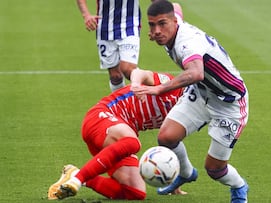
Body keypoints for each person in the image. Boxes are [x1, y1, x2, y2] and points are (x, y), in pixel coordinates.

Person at [131, 1, 250, 202]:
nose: (157, 31)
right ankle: (186, 173)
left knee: (215, 169)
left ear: (174, 22)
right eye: (152, 25)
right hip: (202, 93)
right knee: (167, 138)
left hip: (229, 103)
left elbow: (196, 73)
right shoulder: (174, 20)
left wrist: (159, 88)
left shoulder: (187, 42)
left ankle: (239, 187)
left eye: (162, 24)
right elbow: (175, 5)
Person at [47, 69, 186, 200]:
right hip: (101, 116)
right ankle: (78, 179)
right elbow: (139, 72)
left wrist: (174, 179)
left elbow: (170, 140)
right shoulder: (171, 84)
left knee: (136, 192)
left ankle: (74, 175)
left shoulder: (189, 112)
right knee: (133, 143)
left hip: (116, 140)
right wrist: (136, 85)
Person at [76, 0, 183, 92]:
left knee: (127, 69)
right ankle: (121, 107)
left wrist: (156, 28)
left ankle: (161, 87)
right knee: (115, 76)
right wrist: (86, 15)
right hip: (104, 28)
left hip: (129, 26)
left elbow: (158, 2)